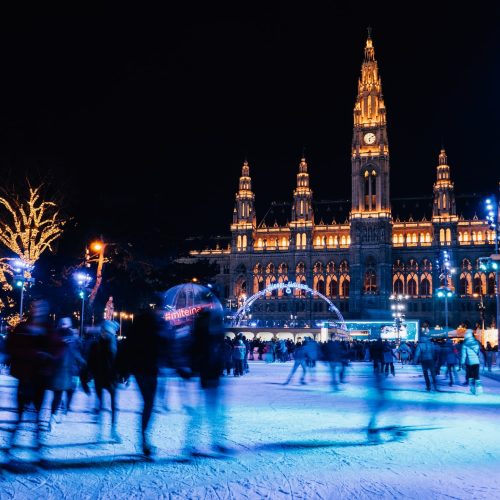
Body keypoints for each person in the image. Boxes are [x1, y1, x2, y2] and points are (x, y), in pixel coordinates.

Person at [6, 300, 56, 460]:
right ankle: (11, 447)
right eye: (36, 307)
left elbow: (57, 348)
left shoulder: (48, 329)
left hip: (40, 378)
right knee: (20, 414)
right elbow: (11, 347)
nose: (39, 310)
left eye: (42, 307)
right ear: (32, 309)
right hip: (25, 376)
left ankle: (37, 449)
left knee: (37, 415)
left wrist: (49, 357)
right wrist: (35, 354)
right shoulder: (22, 328)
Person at [120, 309, 164, 456]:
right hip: (149, 371)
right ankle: (144, 438)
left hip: (141, 371)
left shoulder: (136, 333)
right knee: (149, 403)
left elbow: (126, 350)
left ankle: (144, 438)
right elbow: (160, 349)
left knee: (148, 403)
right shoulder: (153, 332)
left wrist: (124, 371)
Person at [48, 317, 86, 429]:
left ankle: (65, 411)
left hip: (72, 370)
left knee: (70, 392)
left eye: (66, 324)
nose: (64, 325)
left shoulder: (74, 339)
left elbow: (77, 353)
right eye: (62, 323)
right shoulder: (55, 337)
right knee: (57, 395)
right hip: (59, 370)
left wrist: (82, 362)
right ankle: (53, 417)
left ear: (69, 325)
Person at [87, 319, 121, 441]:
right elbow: (90, 362)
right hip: (99, 378)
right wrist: (86, 375)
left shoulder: (115, 344)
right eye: (103, 331)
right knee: (100, 405)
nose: (104, 333)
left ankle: (113, 430)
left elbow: (121, 361)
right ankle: (100, 432)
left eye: (107, 331)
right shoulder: (96, 345)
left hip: (112, 378)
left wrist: (124, 374)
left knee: (113, 406)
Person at [460, 329, 482, 395]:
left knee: (470, 376)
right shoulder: (476, 342)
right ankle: (479, 389)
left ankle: (472, 388)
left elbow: (464, 355)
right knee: (477, 376)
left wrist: (462, 362)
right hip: (476, 362)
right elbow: (478, 352)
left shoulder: (465, 344)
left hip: (469, 362)